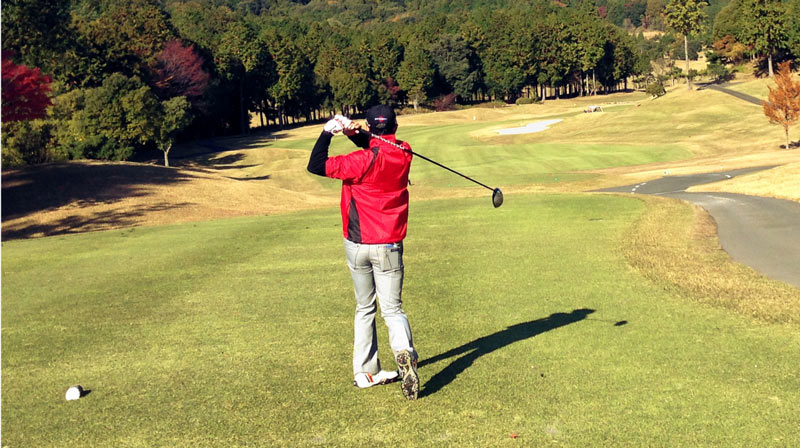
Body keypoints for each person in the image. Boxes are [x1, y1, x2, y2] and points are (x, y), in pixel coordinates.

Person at [306, 104, 420, 400]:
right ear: (395, 126)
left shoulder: (358, 161)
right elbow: (379, 146)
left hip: (357, 245)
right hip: (389, 244)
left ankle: (366, 372)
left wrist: (328, 133)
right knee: (392, 309)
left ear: (370, 127)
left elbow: (316, 165)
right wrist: (351, 131)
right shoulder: (404, 152)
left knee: (365, 307)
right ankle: (404, 352)